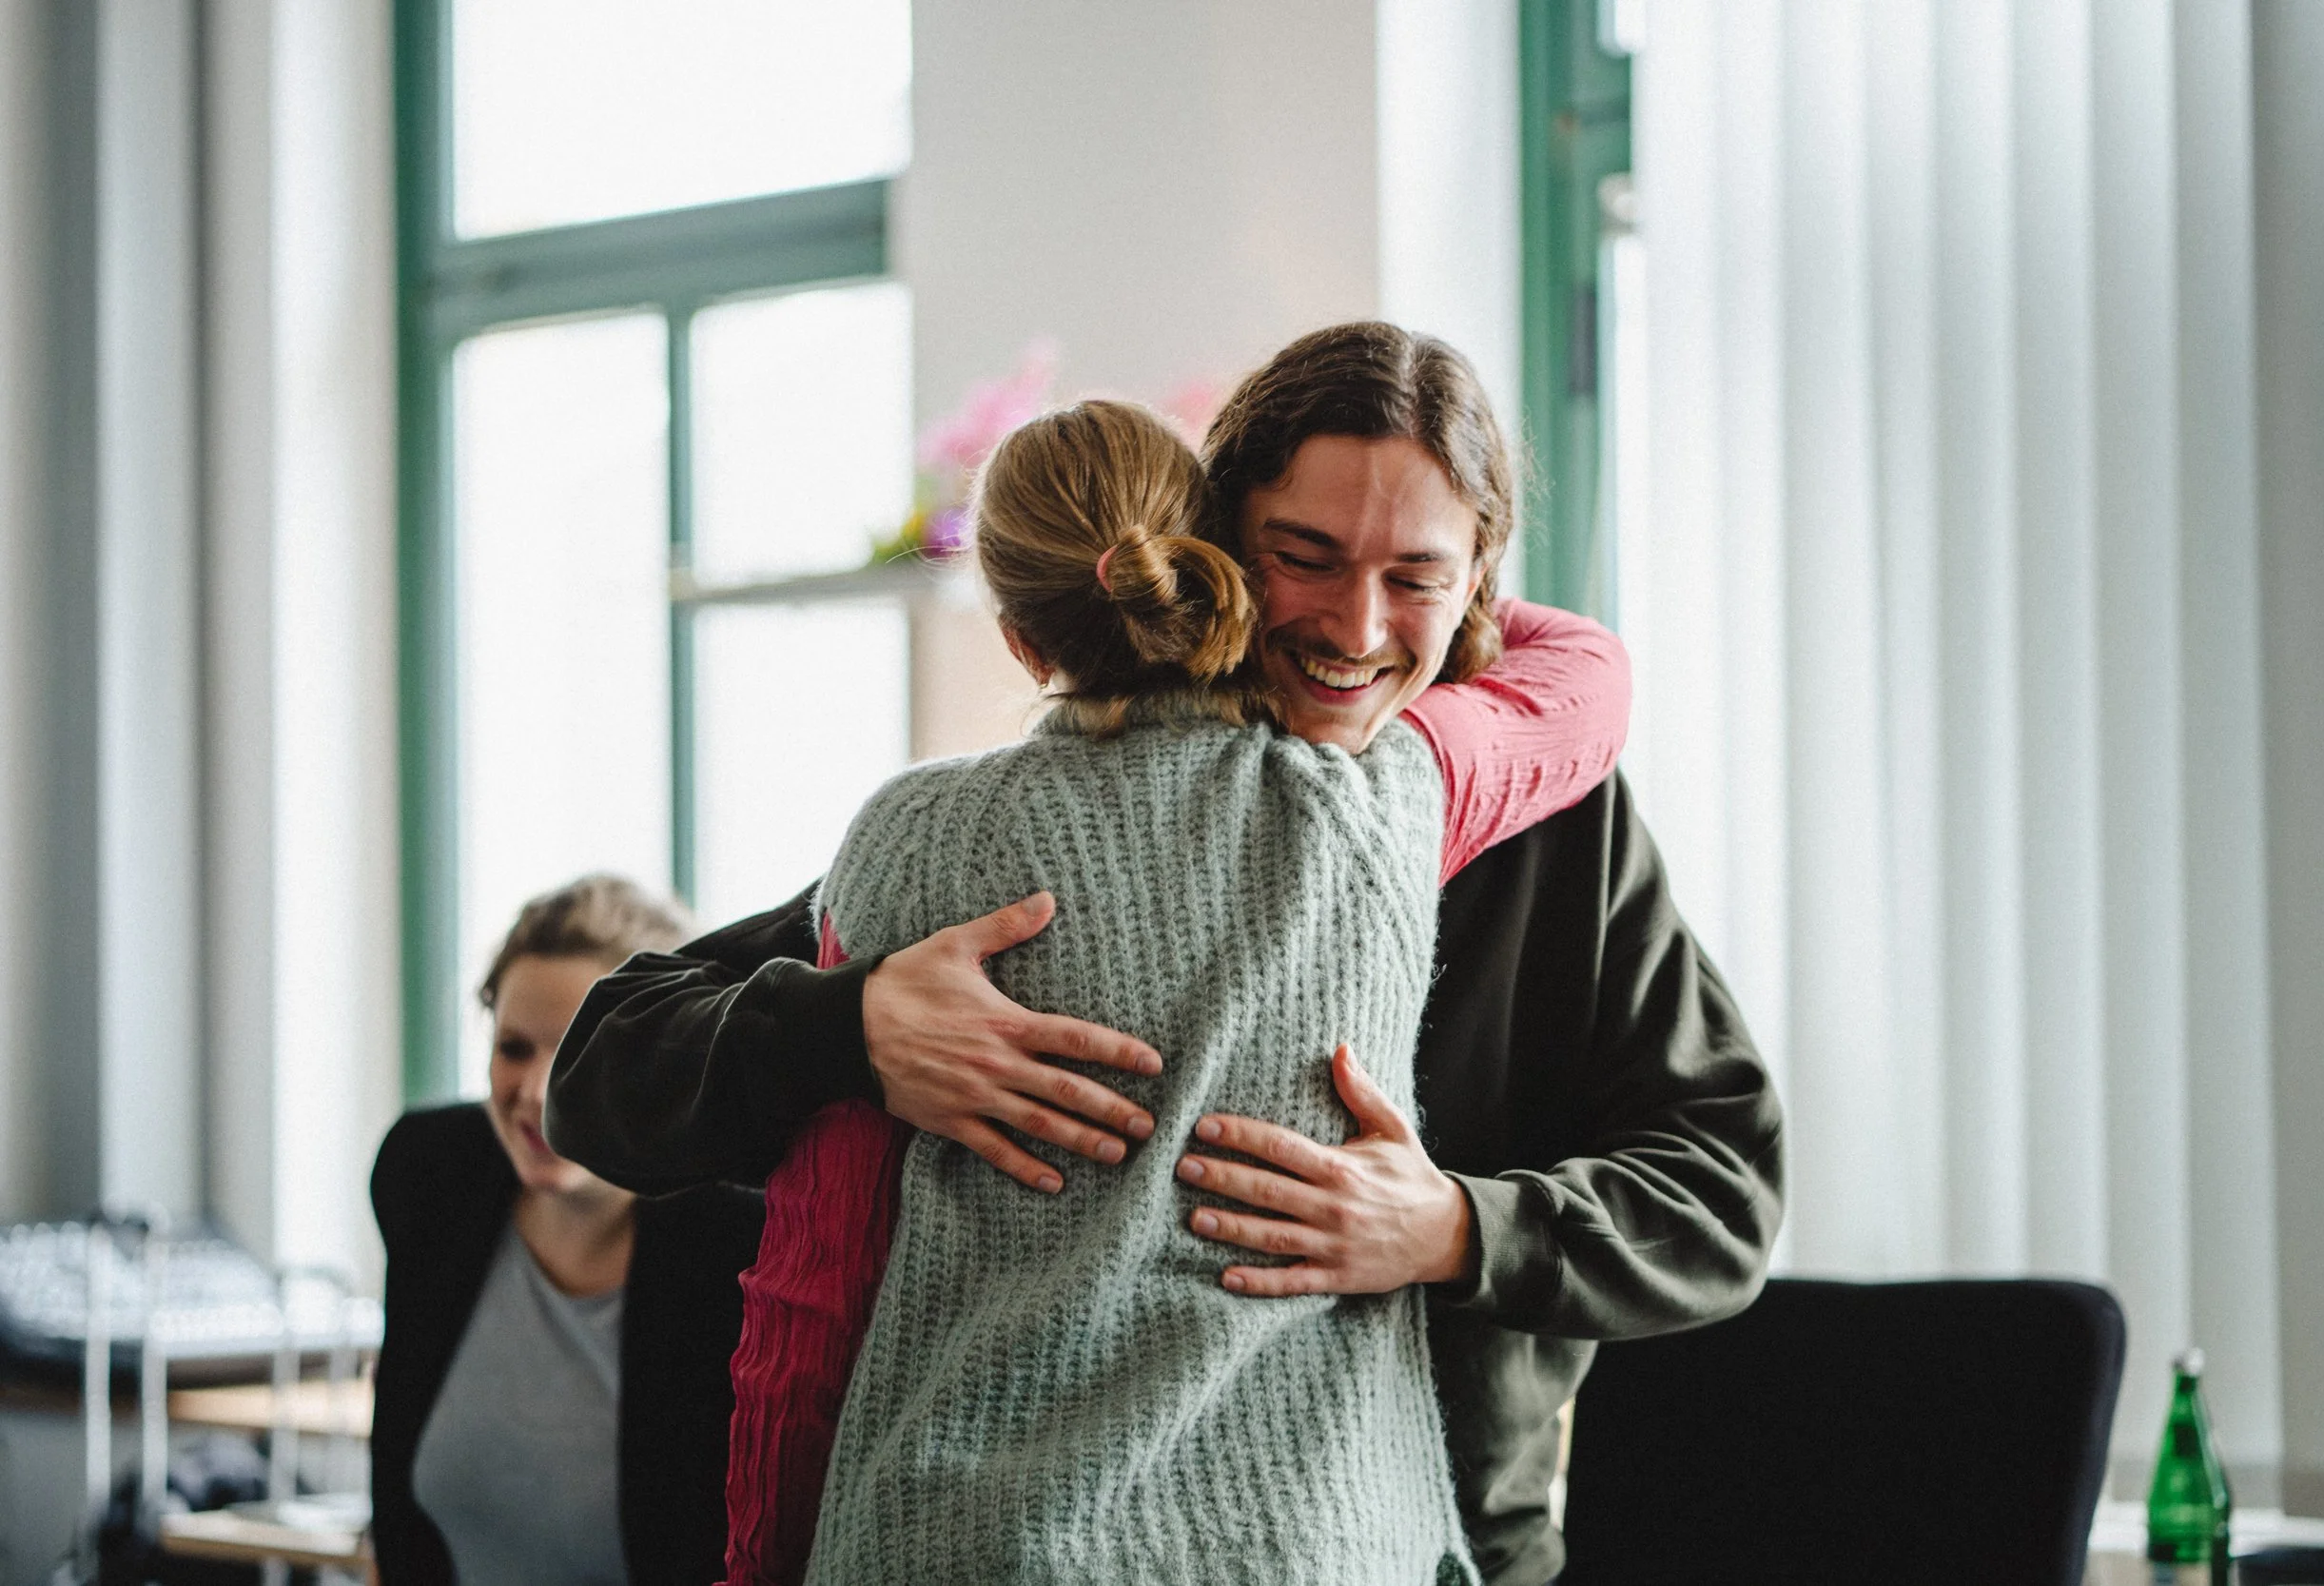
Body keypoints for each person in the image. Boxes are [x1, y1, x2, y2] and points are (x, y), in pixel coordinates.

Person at [548, 323, 1786, 1586]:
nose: (1356, 627)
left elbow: (1725, 1192)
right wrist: (849, 1026)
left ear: (1478, 582)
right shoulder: (1052, 827)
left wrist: (1464, 1225)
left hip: (1433, 1540)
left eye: (1415, 577)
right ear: (1215, 538)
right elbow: (606, 1067)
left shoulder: (1551, 831)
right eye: (1305, 557)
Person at [722, 397, 1631, 1583]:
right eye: (1308, 558)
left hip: (960, 1536)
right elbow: (1584, 680)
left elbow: (818, 1251)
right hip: (1320, 1543)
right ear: (1221, 573)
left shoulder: (909, 839)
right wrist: (1433, 581)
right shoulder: (1380, 807)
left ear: (1018, 637)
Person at [370, 876, 765, 1586]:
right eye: (515, 1048)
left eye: (585, 1049)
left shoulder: (736, 1239)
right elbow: (401, 1521)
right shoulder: (431, 1181)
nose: (541, 1090)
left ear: (669, 1059)